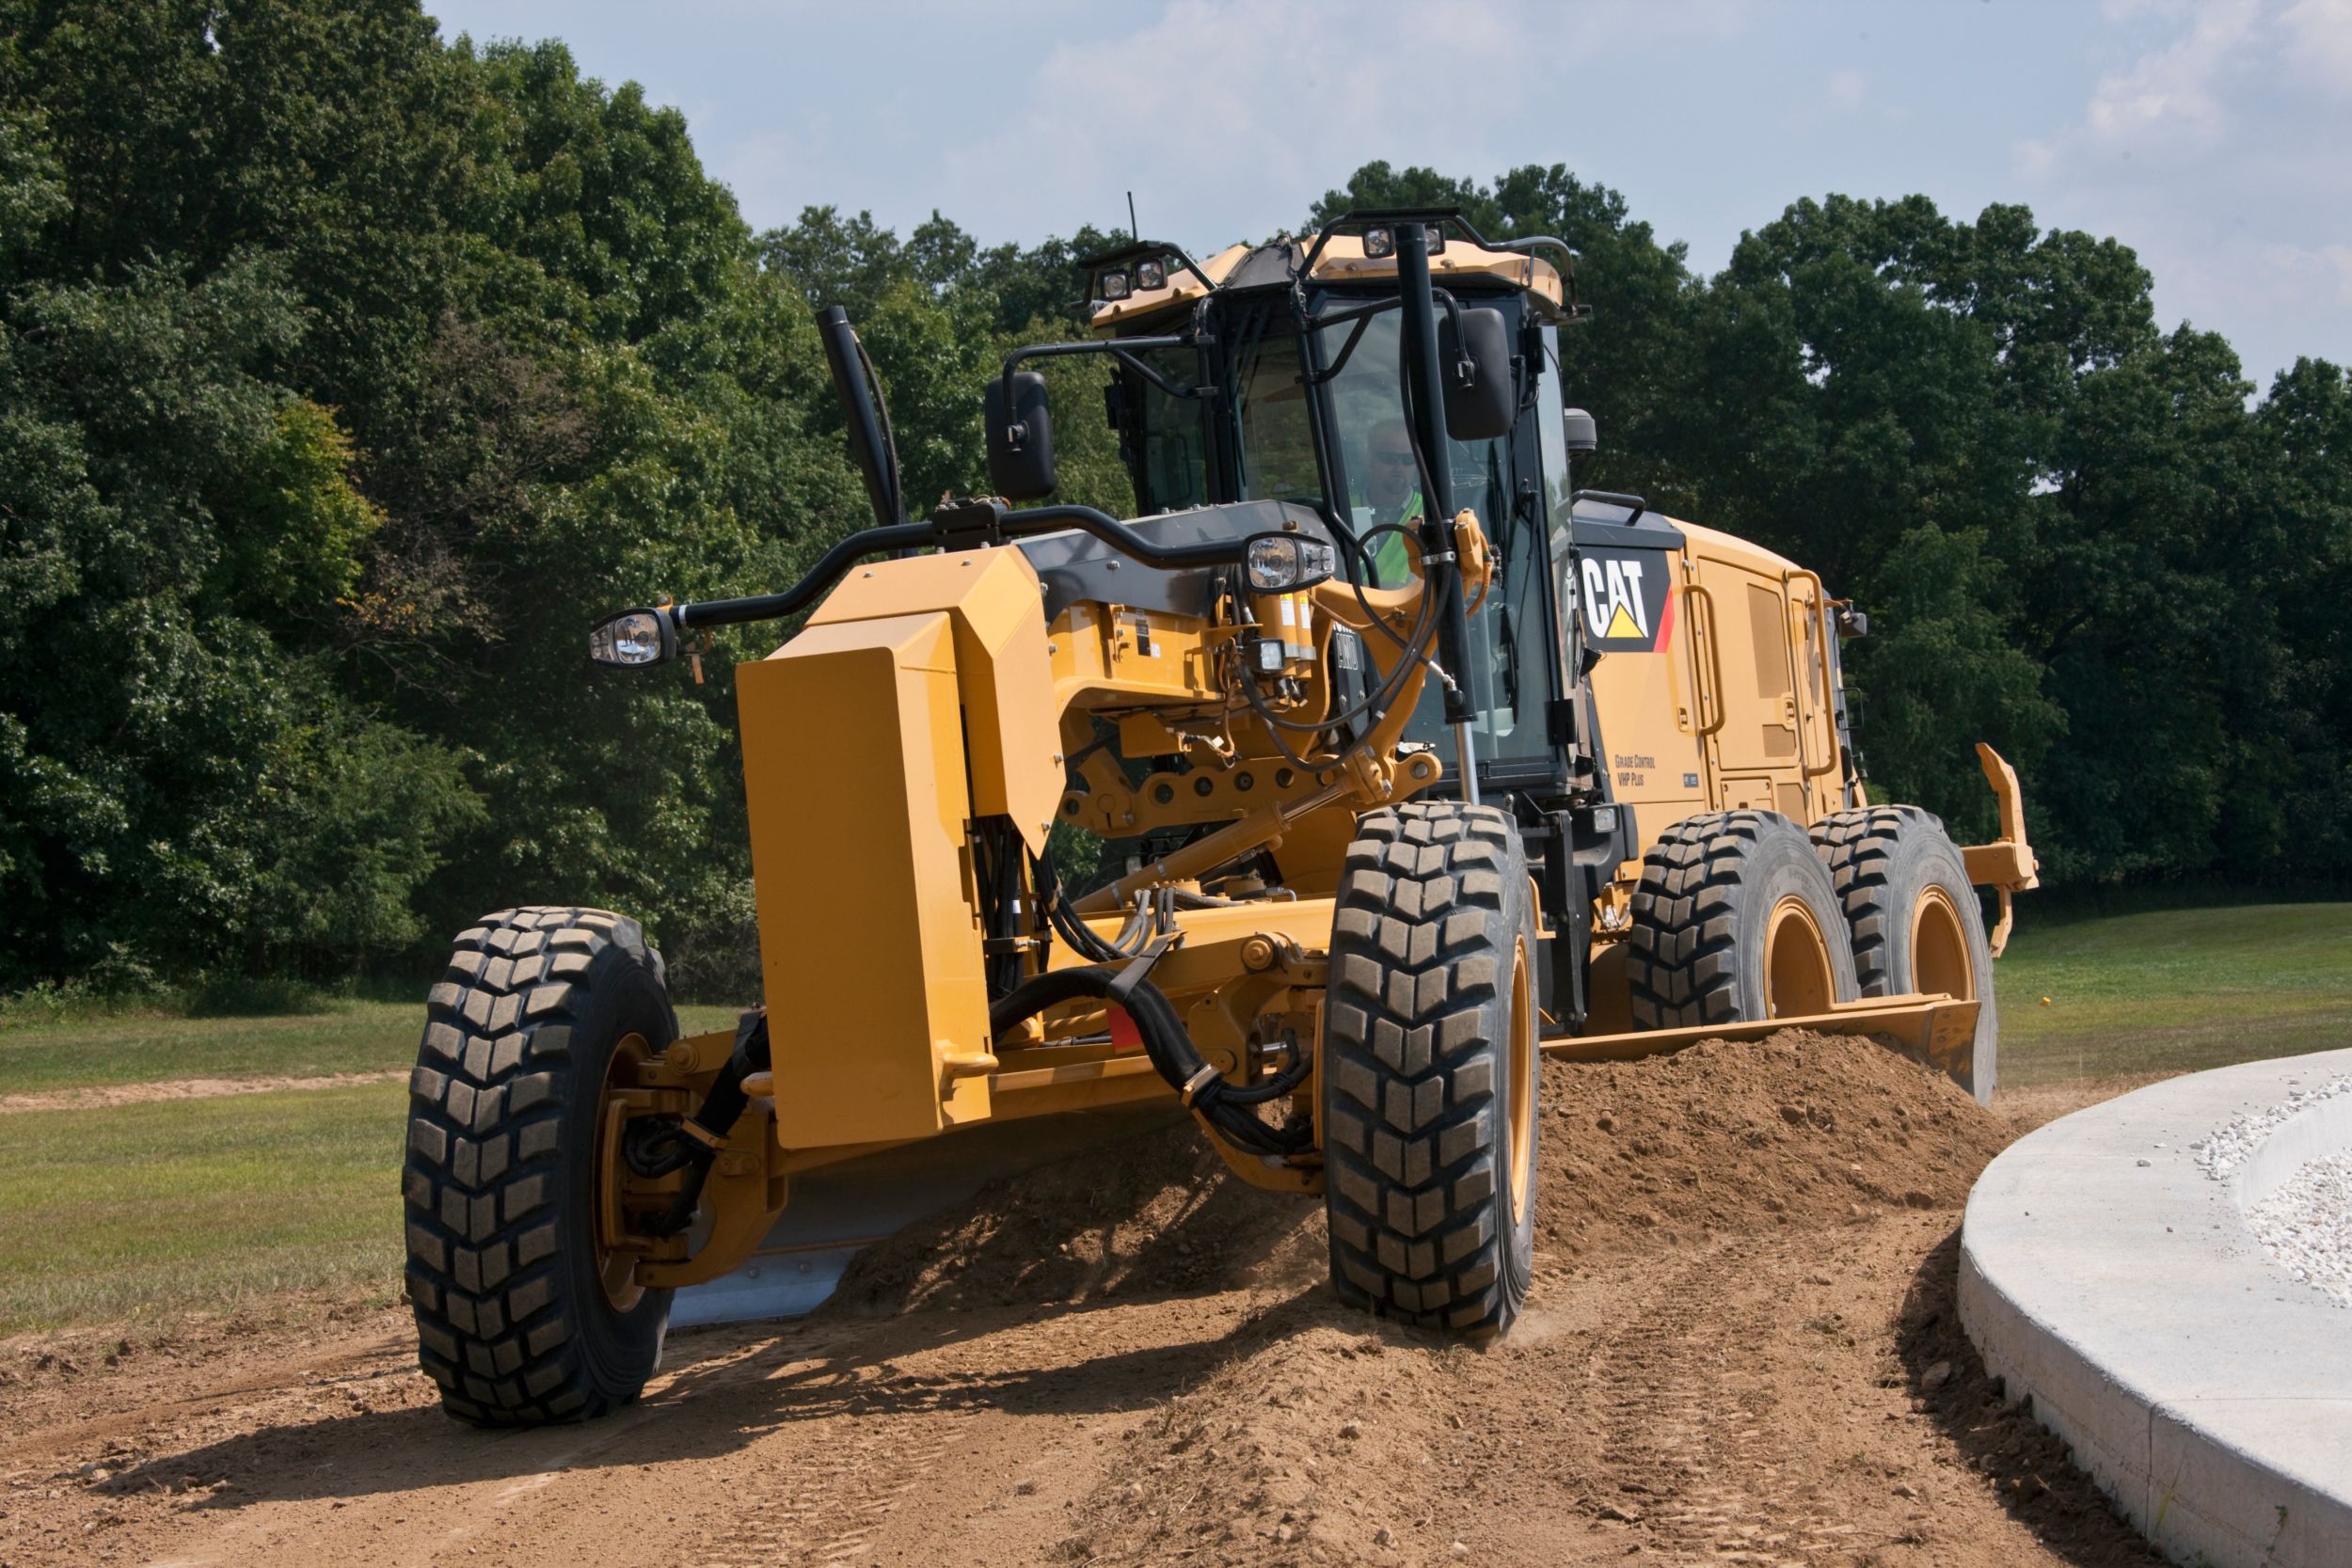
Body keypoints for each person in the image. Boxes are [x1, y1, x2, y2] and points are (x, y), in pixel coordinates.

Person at [1363, 420, 1424, 588]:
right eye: (1389, 458)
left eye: (1408, 459)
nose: (1399, 467)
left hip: (1412, 613)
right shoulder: (1341, 510)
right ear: (1370, 459)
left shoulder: (1432, 513)